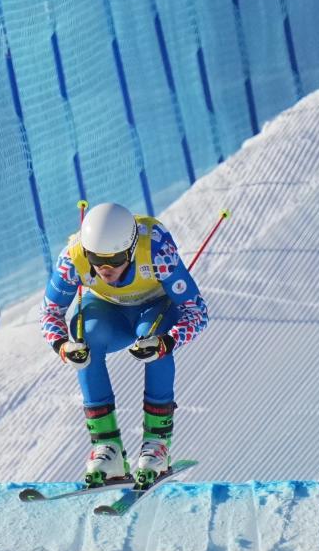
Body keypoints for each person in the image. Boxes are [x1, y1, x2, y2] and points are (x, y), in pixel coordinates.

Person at [40, 202, 208, 488]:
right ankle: (108, 449)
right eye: (97, 259)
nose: (105, 269)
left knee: (151, 338)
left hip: (155, 307)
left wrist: (168, 341)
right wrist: (62, 346)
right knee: (85, 339)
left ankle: (157, 445)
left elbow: (197, 312)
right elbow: (50, 312)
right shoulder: (74, 257)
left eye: (116, 259)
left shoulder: (155, 250)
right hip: (108, 312)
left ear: (130, 250)